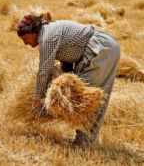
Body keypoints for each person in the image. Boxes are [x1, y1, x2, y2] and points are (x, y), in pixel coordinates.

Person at [15, 14, 120, 145]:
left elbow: (44, 71)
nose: (25, 43)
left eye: (25, 38)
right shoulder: (49, 31)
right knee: (86, 97)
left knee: (87, 99)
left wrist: (37, 100)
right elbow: (67, 57)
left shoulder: (47, 37)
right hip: (105, 47)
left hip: (100, 49)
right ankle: (83, 140)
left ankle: (83, 143)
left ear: (33, 31)